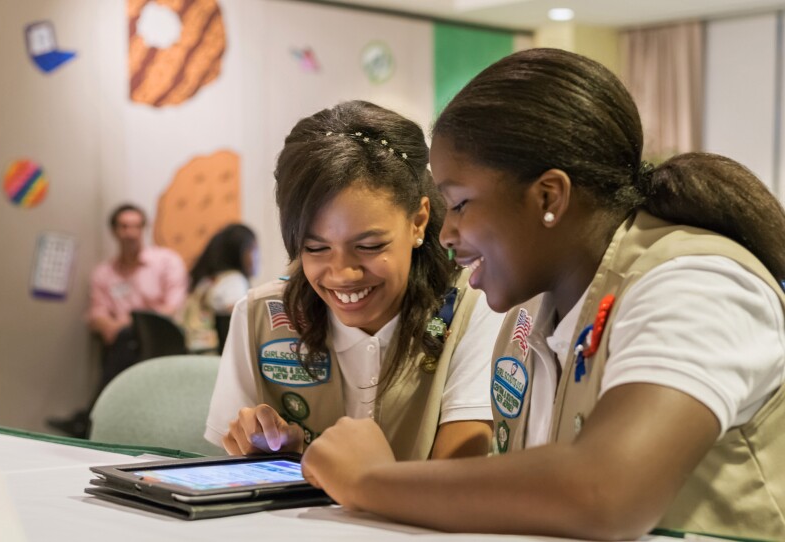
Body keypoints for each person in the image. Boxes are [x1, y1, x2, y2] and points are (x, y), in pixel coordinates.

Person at [300, 49, 785, 540]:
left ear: (549, 197)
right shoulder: (533, 311)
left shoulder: (694, 284)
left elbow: (605, 494)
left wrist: (369, 481)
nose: (447, 235)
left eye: (461, 204)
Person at [204, 100, 506, 461]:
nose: (342, 274)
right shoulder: (262, 316)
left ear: (418, 221)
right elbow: (230, 474)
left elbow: (457, 478)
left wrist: (345, 474)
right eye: (315, 248)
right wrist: (269, 451)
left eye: (368, 245)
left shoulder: (472, 307)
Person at [48, 203, 188, 438]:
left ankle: (89, 417)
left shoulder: (166, 262)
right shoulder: (104, 273)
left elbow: (170, 309)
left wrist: (125, 325)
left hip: (162, 338)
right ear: (114, 231)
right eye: (124, 227)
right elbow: (97, 314)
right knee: (123, 339)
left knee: (125, 336)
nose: (131, 233)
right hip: (123, 342)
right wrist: (110, 326)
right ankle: (100, 419)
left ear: (144, 228)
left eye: (135, 226)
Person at [181, 223, 258, 353]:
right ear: (242, 252)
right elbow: (239, 320)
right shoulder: (234, 282)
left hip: (192, 351)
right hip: (214, 356)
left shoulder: (207, 280)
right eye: (254, 249)